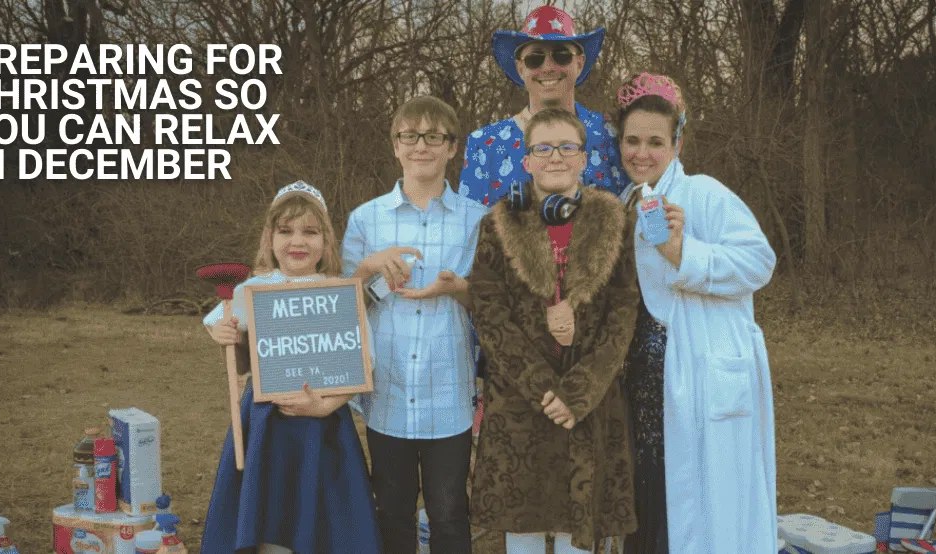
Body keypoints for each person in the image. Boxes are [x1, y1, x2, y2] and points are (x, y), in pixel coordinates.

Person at [615, 72, 778, 553]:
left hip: (699, 378)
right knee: (647, 501)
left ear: (677, 143)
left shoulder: (704, 194)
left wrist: (684, 250)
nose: (641, 153)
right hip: (643, 388)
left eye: (655, 142)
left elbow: (759, 261)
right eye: (632, 140)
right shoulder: (624, 202)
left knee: (699, 511)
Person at [468, 108, 639, 554]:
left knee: (577, 537)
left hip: (589, 403)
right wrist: (547, 390)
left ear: (584, 158)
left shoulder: (614, 223)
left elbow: (623, 312)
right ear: (527, 161)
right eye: (543, 147)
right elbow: (489, 312)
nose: (555, 157)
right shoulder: (499, 224)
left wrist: (577, 393)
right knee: (522, 534)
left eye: (567, 146)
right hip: (522, 405)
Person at [199, 180, 383, 554]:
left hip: (325, 423)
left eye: (310, 232)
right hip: (267, 424)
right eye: (286, 231)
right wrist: (226, 336)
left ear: (326, 241)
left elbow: (361, 362)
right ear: (270, 238)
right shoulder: (254, 289)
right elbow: (236, 361)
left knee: (322, 513)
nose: (297, 241)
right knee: (272, 510)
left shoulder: (339, 290)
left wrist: (328, 405)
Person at [341, 95, 487, 554]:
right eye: (410, 136)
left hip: (448, 393)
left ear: (452, 147)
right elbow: (345, 309)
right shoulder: (366, 219)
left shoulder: (477, 220)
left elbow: (490, 303)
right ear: (395, 146)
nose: (421, 145)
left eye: (433, 137)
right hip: (388, 391)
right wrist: (369, 271)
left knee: (448, 514)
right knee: (393, 511)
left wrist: (457, 289)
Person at [459, 5, 627, 208]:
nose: (548, 67)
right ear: (521, 68)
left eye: (561, 55)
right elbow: (468, 231)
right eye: (535, 59)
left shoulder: (611, 135)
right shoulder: (484, 145)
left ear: (580, 63)